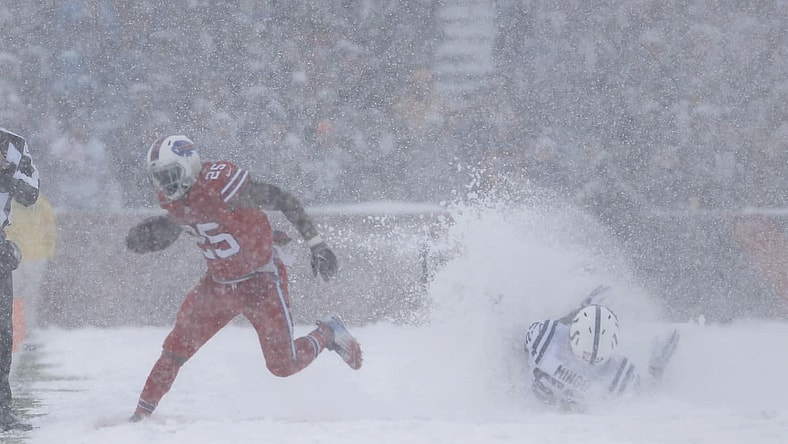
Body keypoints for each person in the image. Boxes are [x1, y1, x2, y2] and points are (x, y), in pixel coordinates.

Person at [126, 135, 362, 422]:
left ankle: (328, 332)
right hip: (218, 285)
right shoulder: (171, 198)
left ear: (188, 165)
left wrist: (317, 243)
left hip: (260, 281)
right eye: (160, 178)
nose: (166, 184)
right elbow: (191, 219)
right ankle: (139, 417)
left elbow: (282, 199)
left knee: (282, 365)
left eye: (170, 175)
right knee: (174, 350)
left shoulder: (221, 183)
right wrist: (164, 230)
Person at [523, 287, 679, 412]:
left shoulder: (619, 374)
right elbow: (516, 347)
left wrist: (655, 370)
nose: (588, 359)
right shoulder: (547, 336)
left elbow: (643, 401)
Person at [0, 128, 39, 431]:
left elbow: (31, 193)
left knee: (2, 334)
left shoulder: (13, 144)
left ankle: (2, 409)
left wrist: (5, 174)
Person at [5, 194, 56, 352]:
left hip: (17, 256)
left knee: (15, 295)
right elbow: (50, 231)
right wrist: (49, 252)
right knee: (27, 296)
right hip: (34, 256)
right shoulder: (41, 204)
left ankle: (17, 331)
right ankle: (25, 331)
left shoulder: (11, 203)